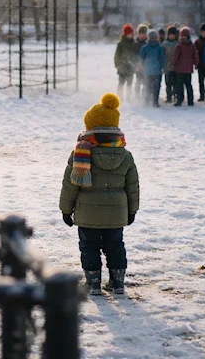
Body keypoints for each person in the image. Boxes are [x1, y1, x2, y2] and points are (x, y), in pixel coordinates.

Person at [59, 93, 140, 296]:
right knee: (115, 246)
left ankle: (93, 283)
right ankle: (118, 282)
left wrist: (65, 210)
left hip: (87, 213)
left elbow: (70, 185)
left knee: (89, 247)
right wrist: (132, 210)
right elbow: (133, 186)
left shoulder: (80, 154)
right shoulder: (125, 155)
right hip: (116, 214)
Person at [114, 23, 142, 101]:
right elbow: (117, 55)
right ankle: (119, 97)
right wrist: (117, 65)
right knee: (121, 83)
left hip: (131, 67)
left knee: (129, 84)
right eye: (129, 34)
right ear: (125, 34)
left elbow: (137, 55)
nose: (130, 35)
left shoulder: (135, 44)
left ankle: (128, 98)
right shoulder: (120, 44)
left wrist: (137, 64)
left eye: (131, 34)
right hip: (122, 67)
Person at [172, 27, 199, 106]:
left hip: (180, 69)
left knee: (180, 86)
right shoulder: (191, 45)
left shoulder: (179, 46)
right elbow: (196, 56)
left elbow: (175, 57)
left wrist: (174, 64)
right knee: (188, 85)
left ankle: (180, 100)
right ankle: (190, 100)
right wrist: (196, 63)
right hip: (188, 69)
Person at [139, 29, 166, 107]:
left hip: (149, 71)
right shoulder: (158, 47)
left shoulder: (145, 47)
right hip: (156, 71)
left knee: (148, 87)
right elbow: (162, 58)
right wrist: (163, 67)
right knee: (155, 87)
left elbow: (141, 58)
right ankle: (154, 102)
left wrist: (140, 66)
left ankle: (148, 101)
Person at [162, 26, 179, 103]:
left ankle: (176, 95)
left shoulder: (178, 43)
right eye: (170, 34)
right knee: (168, 83)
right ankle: (169, 97)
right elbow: (162, 55)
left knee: (176, 83)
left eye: (173, 34)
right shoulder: (165, 44)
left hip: (176, 67)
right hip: (167, 67)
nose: (171, 36)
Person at [194, 23, 205, 102]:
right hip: (200, 64)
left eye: (204, 32)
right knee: (201, 81)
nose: (203, 33)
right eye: (202, 32)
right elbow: (194, 52)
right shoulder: (197, 41)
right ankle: (202, 95)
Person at [134, 24, 149, 97]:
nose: (143, 36)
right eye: (141, 34)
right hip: (138, 66)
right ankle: (137, 95)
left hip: (147, 66)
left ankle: (145, 95)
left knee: (146, 82)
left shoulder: (148, 43)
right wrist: (137, 65)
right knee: (138, 81)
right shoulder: (136, 43)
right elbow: (134, 55)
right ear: (138, 34)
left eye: (144, 34)